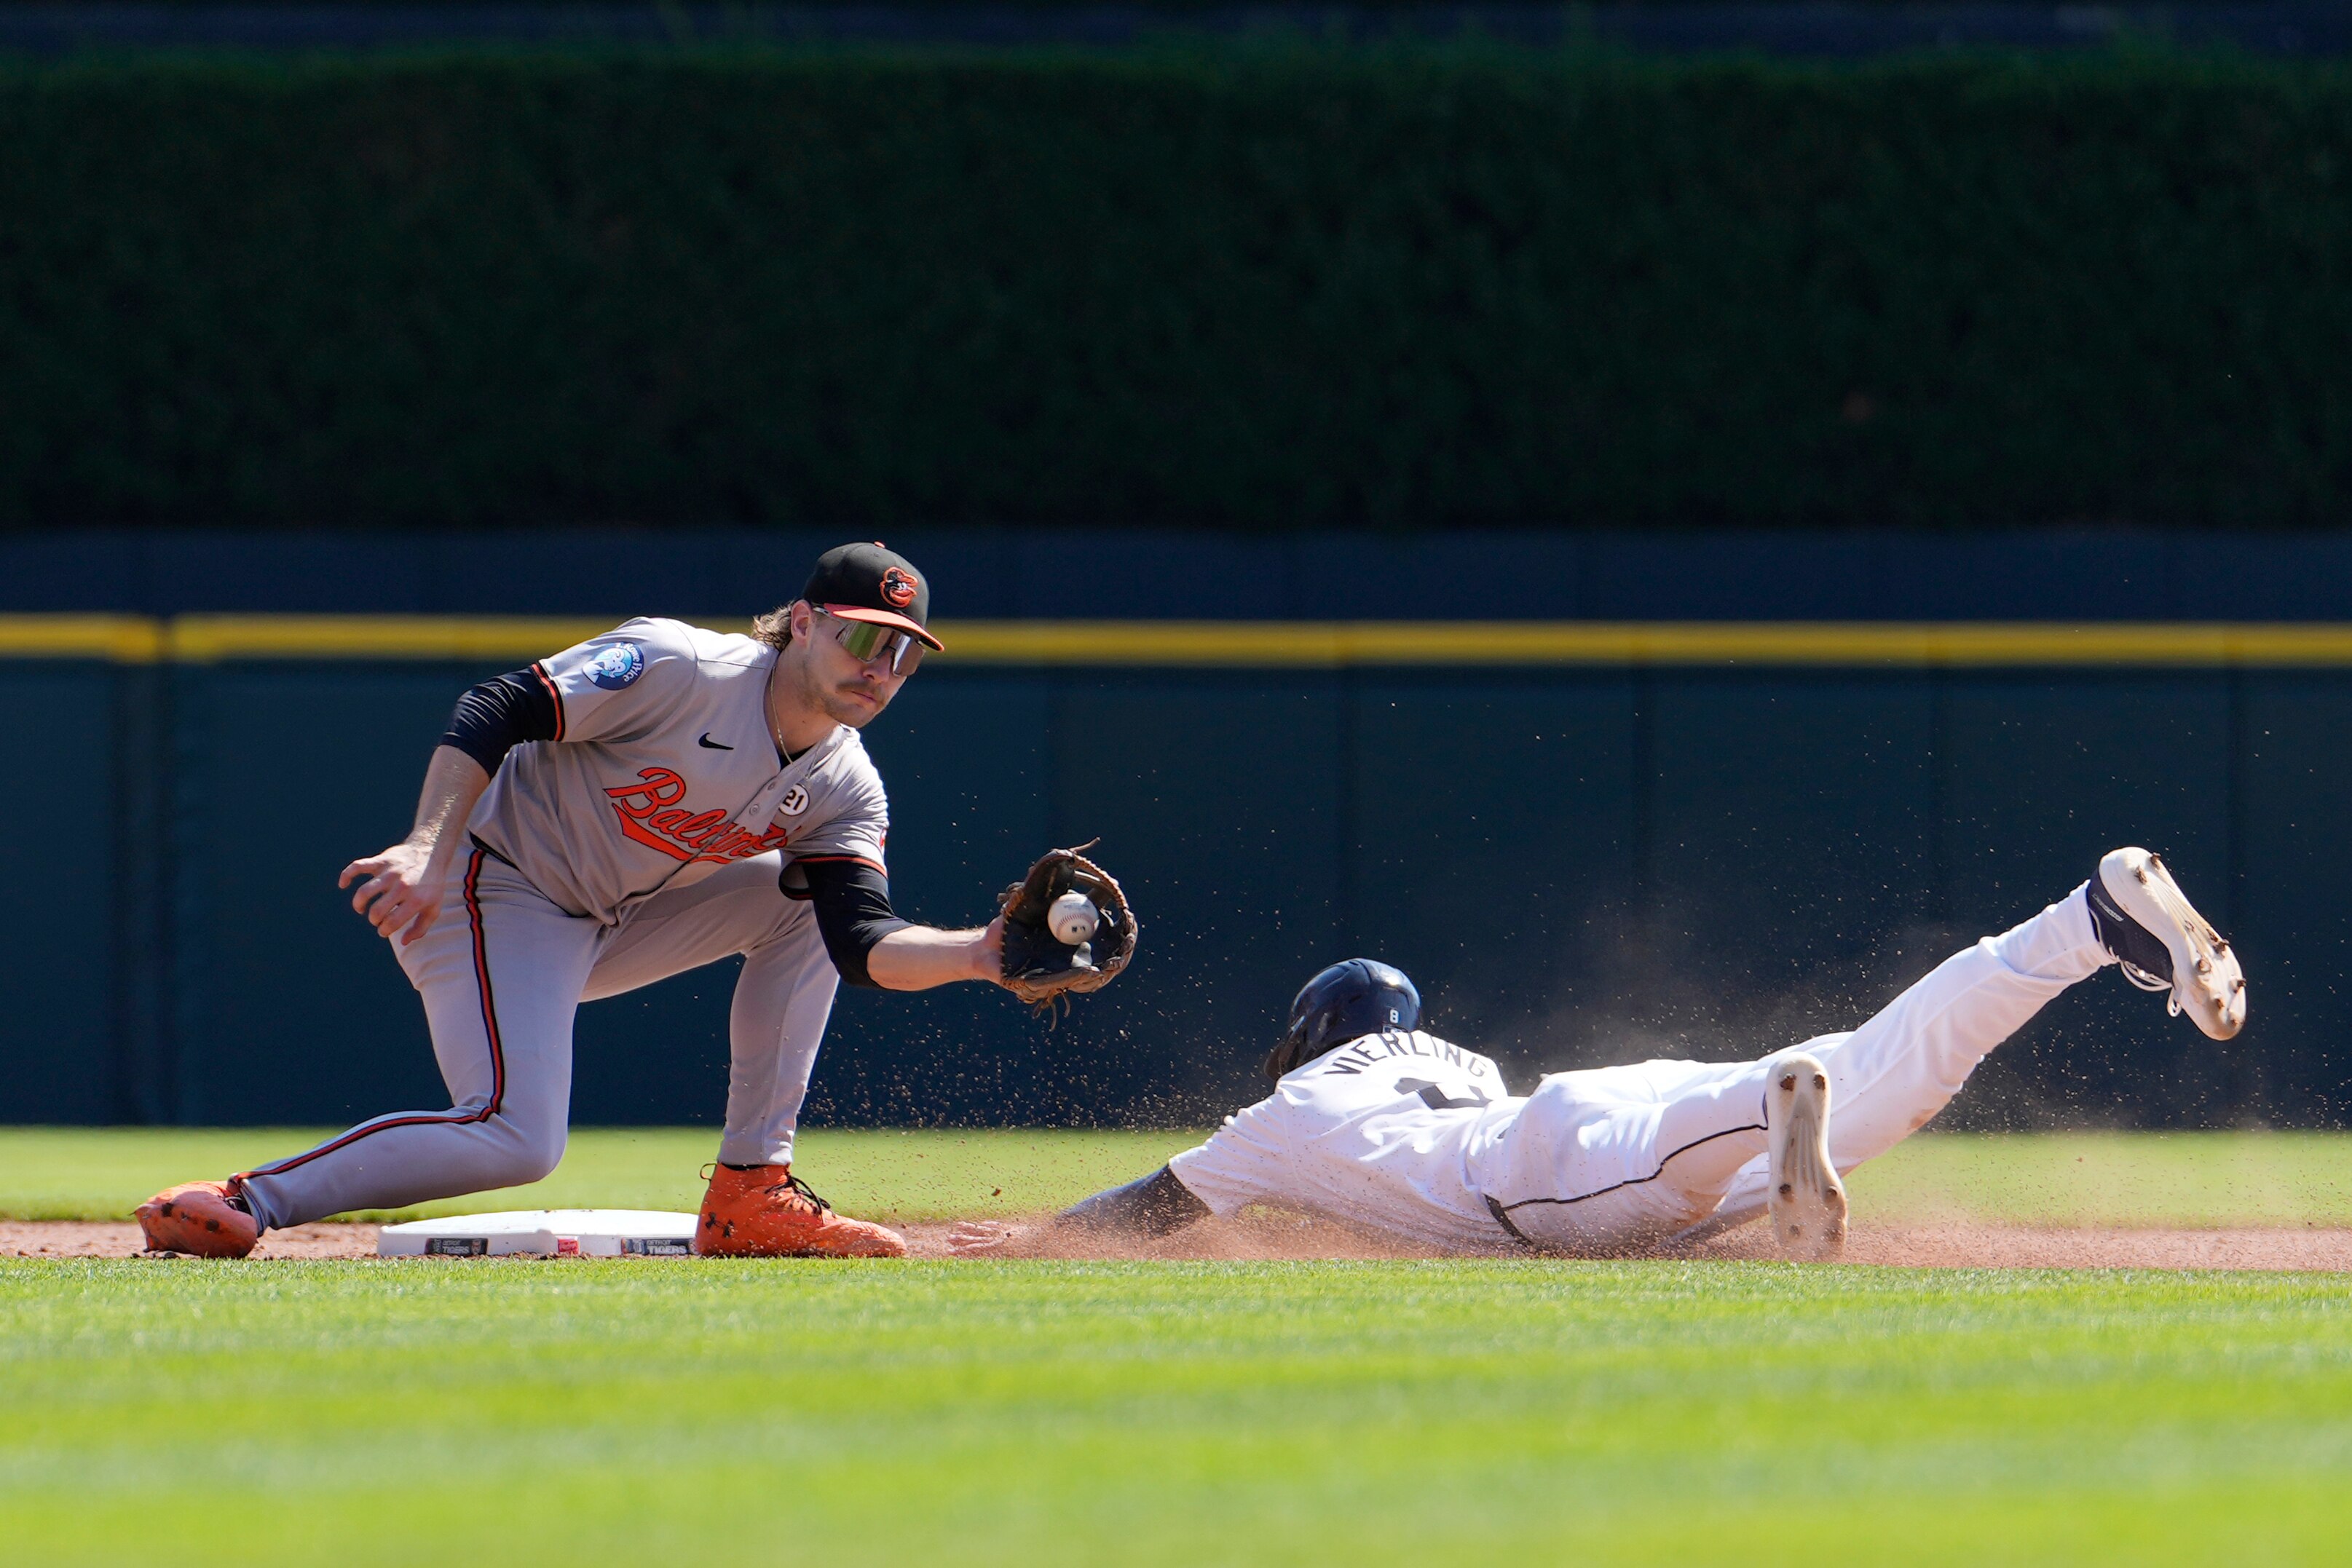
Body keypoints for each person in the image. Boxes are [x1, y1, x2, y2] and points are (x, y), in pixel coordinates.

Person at [141, 542, 1025, 1260]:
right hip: (488, 886)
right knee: (519, 1139)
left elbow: (860, 942)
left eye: (904, 653)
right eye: (863, 639)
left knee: (795, 902)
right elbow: (499, 705)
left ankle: (752, 1190)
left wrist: (983, 954)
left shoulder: (845, 787)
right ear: (801, 623)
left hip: (604, 920)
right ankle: (246, 1199)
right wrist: (423, 846)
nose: (882, 667)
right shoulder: (682, 666)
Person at [951, 848, 2246, 1261]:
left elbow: (1151, 1206)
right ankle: (2081, 923)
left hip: (1533, 1166)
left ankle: (1770, 1112)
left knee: (1653, 1173)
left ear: (1310, 1035)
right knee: (1888, 1060)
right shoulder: (1448, 1057)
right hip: (1601, 1103)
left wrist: (1023, 1242)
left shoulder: (1285, 1109)